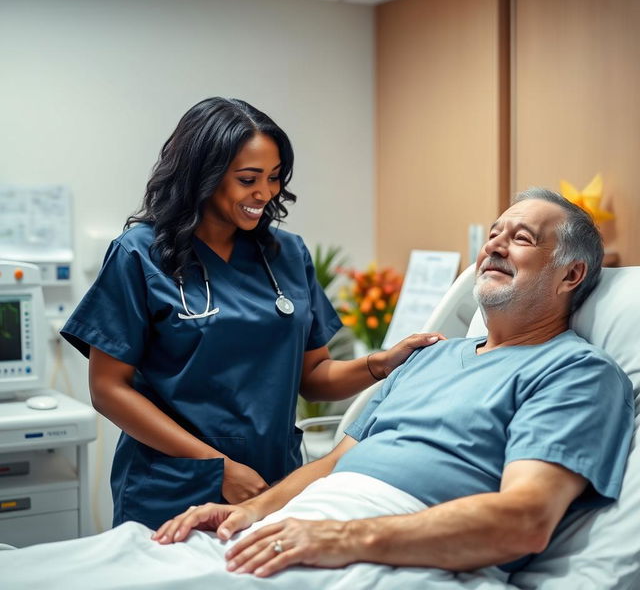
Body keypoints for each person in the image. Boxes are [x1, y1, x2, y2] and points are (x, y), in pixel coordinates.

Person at [1, 188, 633, 589]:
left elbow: (523, 521)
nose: (494, 244)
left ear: (572, 272)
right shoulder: (431, 358)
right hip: (294, 519)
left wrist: (338, 538)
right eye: (493, 232)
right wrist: (249, 511)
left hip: (381, 540)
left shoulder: (574, 373)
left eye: (520, 237)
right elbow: (336, 460)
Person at [59, 97, 441, 530]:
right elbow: (109, 389)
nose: (265, 193)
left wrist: (380, 364)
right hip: (172, 486)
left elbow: (313, 377)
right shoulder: (140, 255)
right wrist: (218, 466)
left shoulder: (287, 255)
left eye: (275, 177)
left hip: (271, 484)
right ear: (202, 174)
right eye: (248, 179)